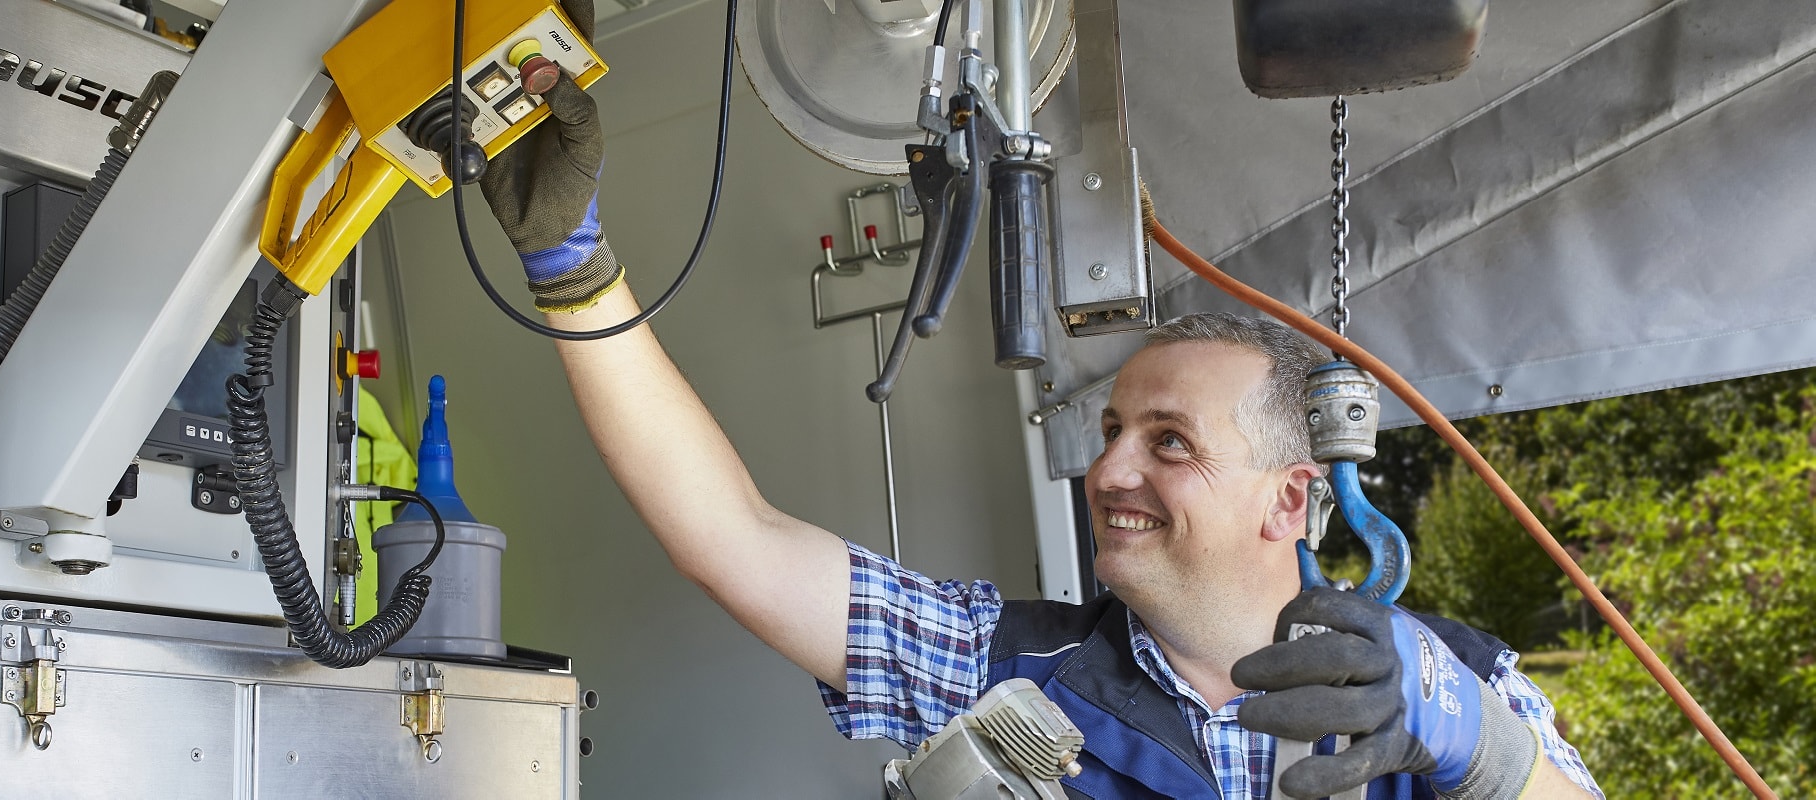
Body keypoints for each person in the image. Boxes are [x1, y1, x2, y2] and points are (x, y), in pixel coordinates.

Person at [479, 4, 1602, 797]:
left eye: (1171, 443)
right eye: (1114, 431)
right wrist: (576, 275)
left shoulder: (1458, 691)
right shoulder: (1007, 672)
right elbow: (734, 537)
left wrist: (1481, 753)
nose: (1109, 470)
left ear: (1290, 498)